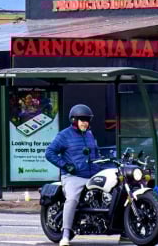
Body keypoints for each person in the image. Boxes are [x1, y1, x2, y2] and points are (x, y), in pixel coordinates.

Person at [44, 104, 99, 246]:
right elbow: (49, 152)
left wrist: (101, 166)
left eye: (87, 120)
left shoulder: (90, 135)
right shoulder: (64, 135)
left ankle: (124, 232)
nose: (85, 123)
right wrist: (65, 165)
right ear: (74, 120)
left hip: (91, 175)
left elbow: (96, 154)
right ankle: (65, 235)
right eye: (82, 120)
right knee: (72, 199)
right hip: (73, 176)